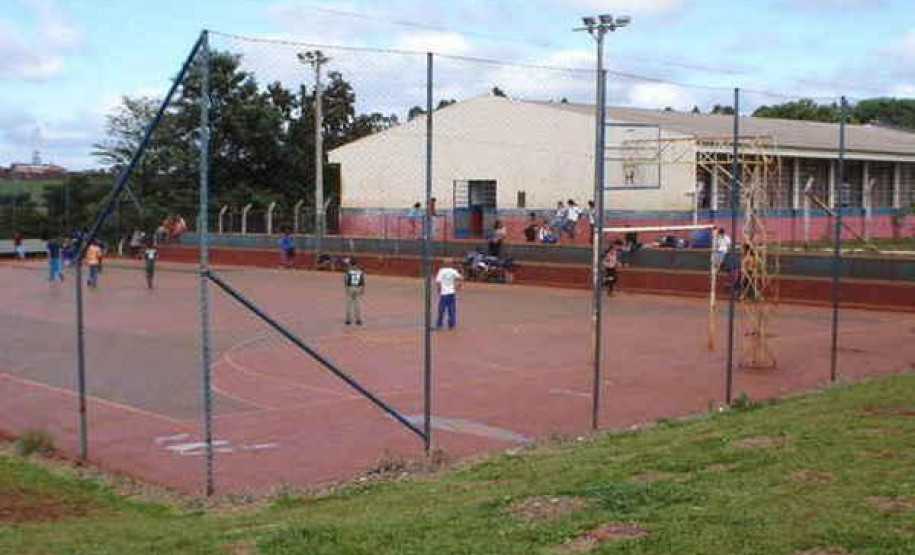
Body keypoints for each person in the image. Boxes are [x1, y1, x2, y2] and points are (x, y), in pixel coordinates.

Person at [435, 259, 463, 330]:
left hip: (444, 293)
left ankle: (439, 324)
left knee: (441, 309)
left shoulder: (441, 271)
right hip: (451, 292)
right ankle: (451, 324)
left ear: (444, 264)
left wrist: (439, 290)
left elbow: (438, 281)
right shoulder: (453, 271)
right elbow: (461, 278)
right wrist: (459, 286)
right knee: (452, 309)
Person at [343, 258, 366, 326]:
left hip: (350, 288)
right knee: (357, 305)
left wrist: (347, 289)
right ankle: (358, 320)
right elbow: (362, 281)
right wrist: (362, 289)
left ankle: (348, 320)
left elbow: (346, 280)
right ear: (357, 264)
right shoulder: (360, 271)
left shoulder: (348, 271)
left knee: (349, 304)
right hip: (358, 288)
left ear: (351, 264)